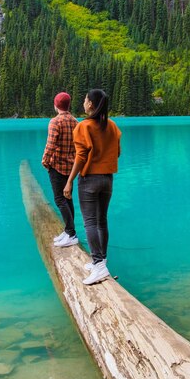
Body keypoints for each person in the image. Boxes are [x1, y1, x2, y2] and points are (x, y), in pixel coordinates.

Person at [63, 89, 121, 285]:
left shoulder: (84, 127)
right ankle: (101, 260)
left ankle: (98, 265)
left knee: (89, 222)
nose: (84, 102)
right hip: (108, 179)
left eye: (85, 99)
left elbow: (81, 157)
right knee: (101, 220)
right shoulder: (112, 126)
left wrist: (69, 180)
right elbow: (117, 152)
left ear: (90, 104)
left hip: (89, 180)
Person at [42, 92, 79, 248]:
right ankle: (69, 230)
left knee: (59, 199)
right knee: (68, 197)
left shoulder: (55, 122)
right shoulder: (76, 122)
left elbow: (50, 145)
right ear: (68, 105)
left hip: (57, 166)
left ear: (56, 105)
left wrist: (45, 161)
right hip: (71, 166)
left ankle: (71, 234)